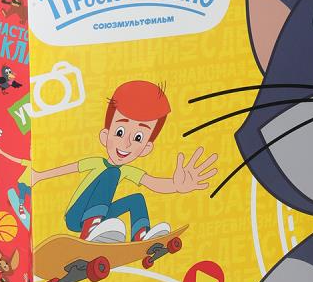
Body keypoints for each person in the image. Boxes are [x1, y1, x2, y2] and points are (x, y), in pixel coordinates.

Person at [31, 80, 217, 244]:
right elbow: (69, 169)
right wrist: (38, 176)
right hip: (76, 215)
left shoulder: (127, 171)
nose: (127, 143)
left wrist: (176, 186)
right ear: (105, 136)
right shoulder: (98, 163)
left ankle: (140, 235)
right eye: (120, 132)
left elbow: (152, 183)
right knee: (112, 173)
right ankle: (90, 229)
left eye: (138, 137)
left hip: (102, 215)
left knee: (136, 199)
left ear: (146, 148)